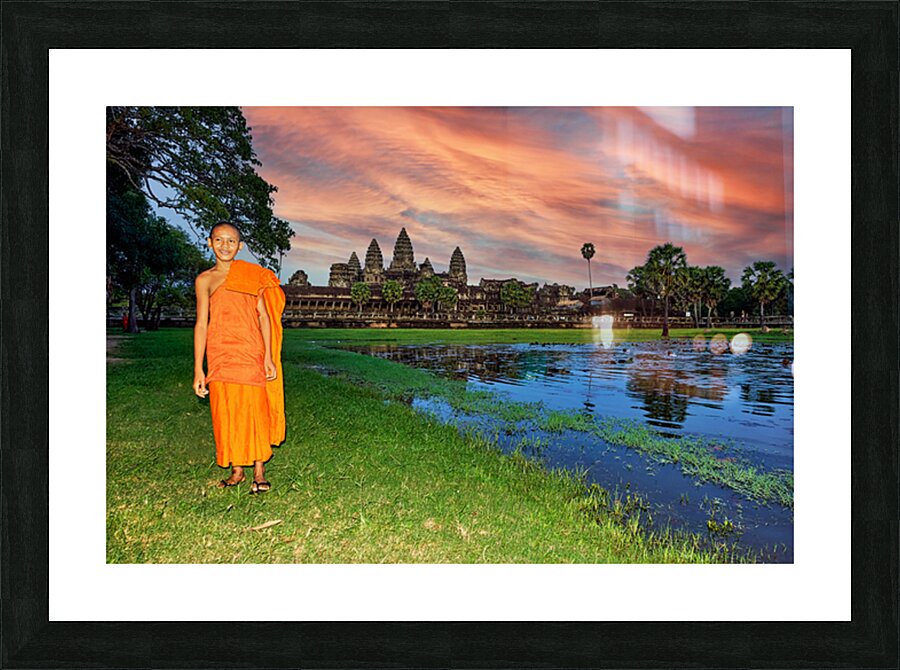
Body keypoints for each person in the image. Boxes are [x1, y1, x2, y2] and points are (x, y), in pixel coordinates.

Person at [193, 222, 286, 493]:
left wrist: (268, 356)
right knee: (227, 411)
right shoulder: (205, 280)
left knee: (254, 411)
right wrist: (199, 368)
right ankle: (237, 470)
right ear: (210, 243)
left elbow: (264, 317)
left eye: (231, 241)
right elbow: (201, 324)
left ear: (240, 246)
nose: (225, 246)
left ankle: (259, 470)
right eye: (219, 240)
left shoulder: (250, 274)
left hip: (250, 351)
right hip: (221, 352)